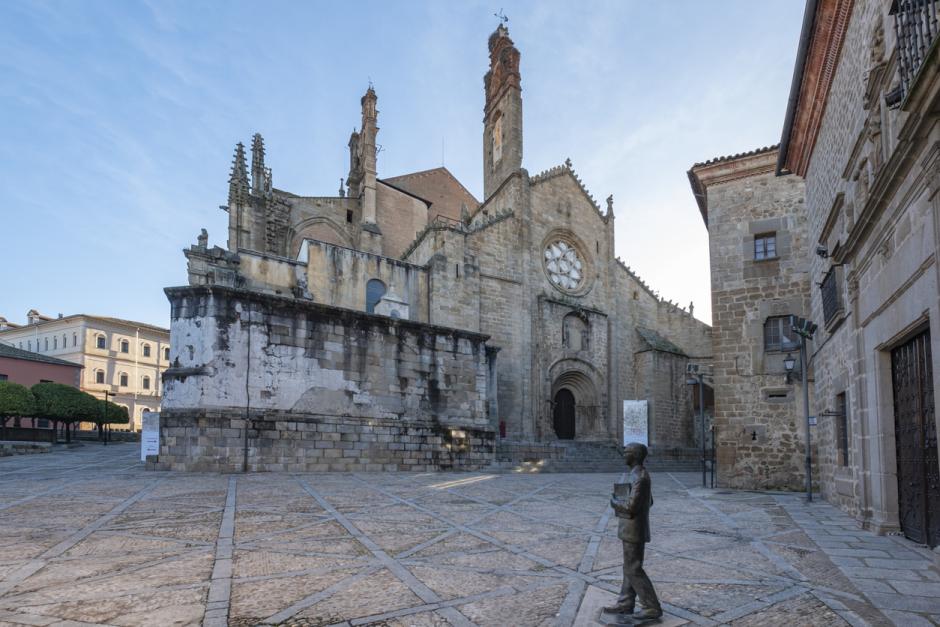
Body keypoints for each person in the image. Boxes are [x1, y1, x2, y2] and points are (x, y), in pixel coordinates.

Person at [604, 442, 663, 620]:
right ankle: (625, 603)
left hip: (634, 530)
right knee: (629, 567)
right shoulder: (636, 475)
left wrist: (615, 502)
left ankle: (651, 606)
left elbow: (631, 506)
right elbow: (649, 501)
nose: (624, 455)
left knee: (634, 569)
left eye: (627, 452)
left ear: (635, 455)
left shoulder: (641, 477)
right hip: (631, 528)